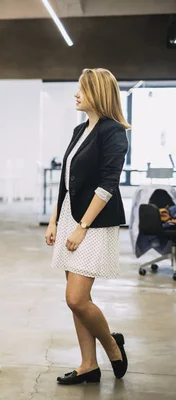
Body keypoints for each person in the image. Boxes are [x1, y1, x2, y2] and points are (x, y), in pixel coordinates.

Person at [45, 68, 130, 385]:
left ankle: (111, 344)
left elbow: (108, 185)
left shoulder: (113, 131)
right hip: (71, 217)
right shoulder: (79, 130)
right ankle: (88, 365)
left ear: (98, 93)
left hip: (92, 222)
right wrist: (55, 219)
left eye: (82, 89)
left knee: (76, 298)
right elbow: (67, 182)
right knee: (75, 299)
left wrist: (81, 226)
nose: (76, 94)